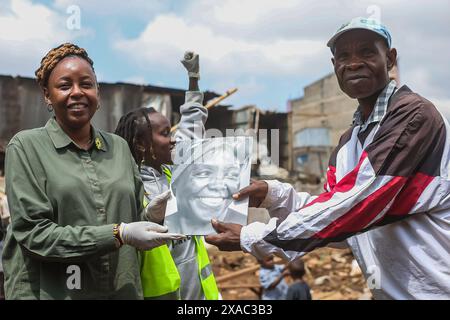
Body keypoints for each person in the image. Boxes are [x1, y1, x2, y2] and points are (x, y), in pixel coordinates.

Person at [206, 17, 450, 300]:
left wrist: (254, 238)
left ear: (390, 59)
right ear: (335, 66)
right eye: (344, 56)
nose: (354, 63)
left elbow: (354, 207)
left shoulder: (413, 115)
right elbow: (339, 225)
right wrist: (276, 196)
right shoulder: (348, 143)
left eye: (368, 52)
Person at [2, 43, 183, 300]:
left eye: (86, 84)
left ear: (97, 91)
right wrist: (118, 234)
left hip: (119, 290)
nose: (77, 92)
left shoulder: (118, 148)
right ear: (46, 95)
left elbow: (130, 221)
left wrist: (151, 216)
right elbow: (34, 234)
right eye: (65, 86)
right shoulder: (26, 147)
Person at [115, 51, 219, 300]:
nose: (173, 139)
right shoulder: (126, 186)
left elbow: (191, 126)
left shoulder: (175, 173)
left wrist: (193, 79)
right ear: (141, 145)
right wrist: (148, 216)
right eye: (164, 133)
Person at [169, 138, 249, 235]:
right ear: (175, 183)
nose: (218, 185)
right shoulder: (160, 228)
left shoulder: (244, 230)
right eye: (204, 173)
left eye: (231, 175)